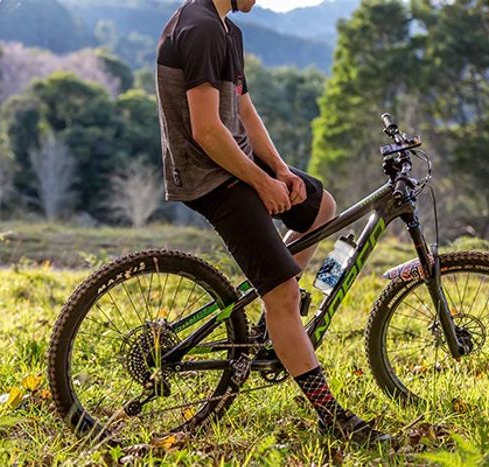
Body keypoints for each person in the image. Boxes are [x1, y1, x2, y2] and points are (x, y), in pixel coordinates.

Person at [155, 0, 390, 444]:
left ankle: (273, 322)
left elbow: (243, 110)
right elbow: (206, 130)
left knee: (320, 207)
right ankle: (331, 417)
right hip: (210, 176)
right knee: (284, 294)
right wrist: (261, 183)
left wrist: (280, 170)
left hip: (235, 162)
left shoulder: (227, 30)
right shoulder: (201, 28)